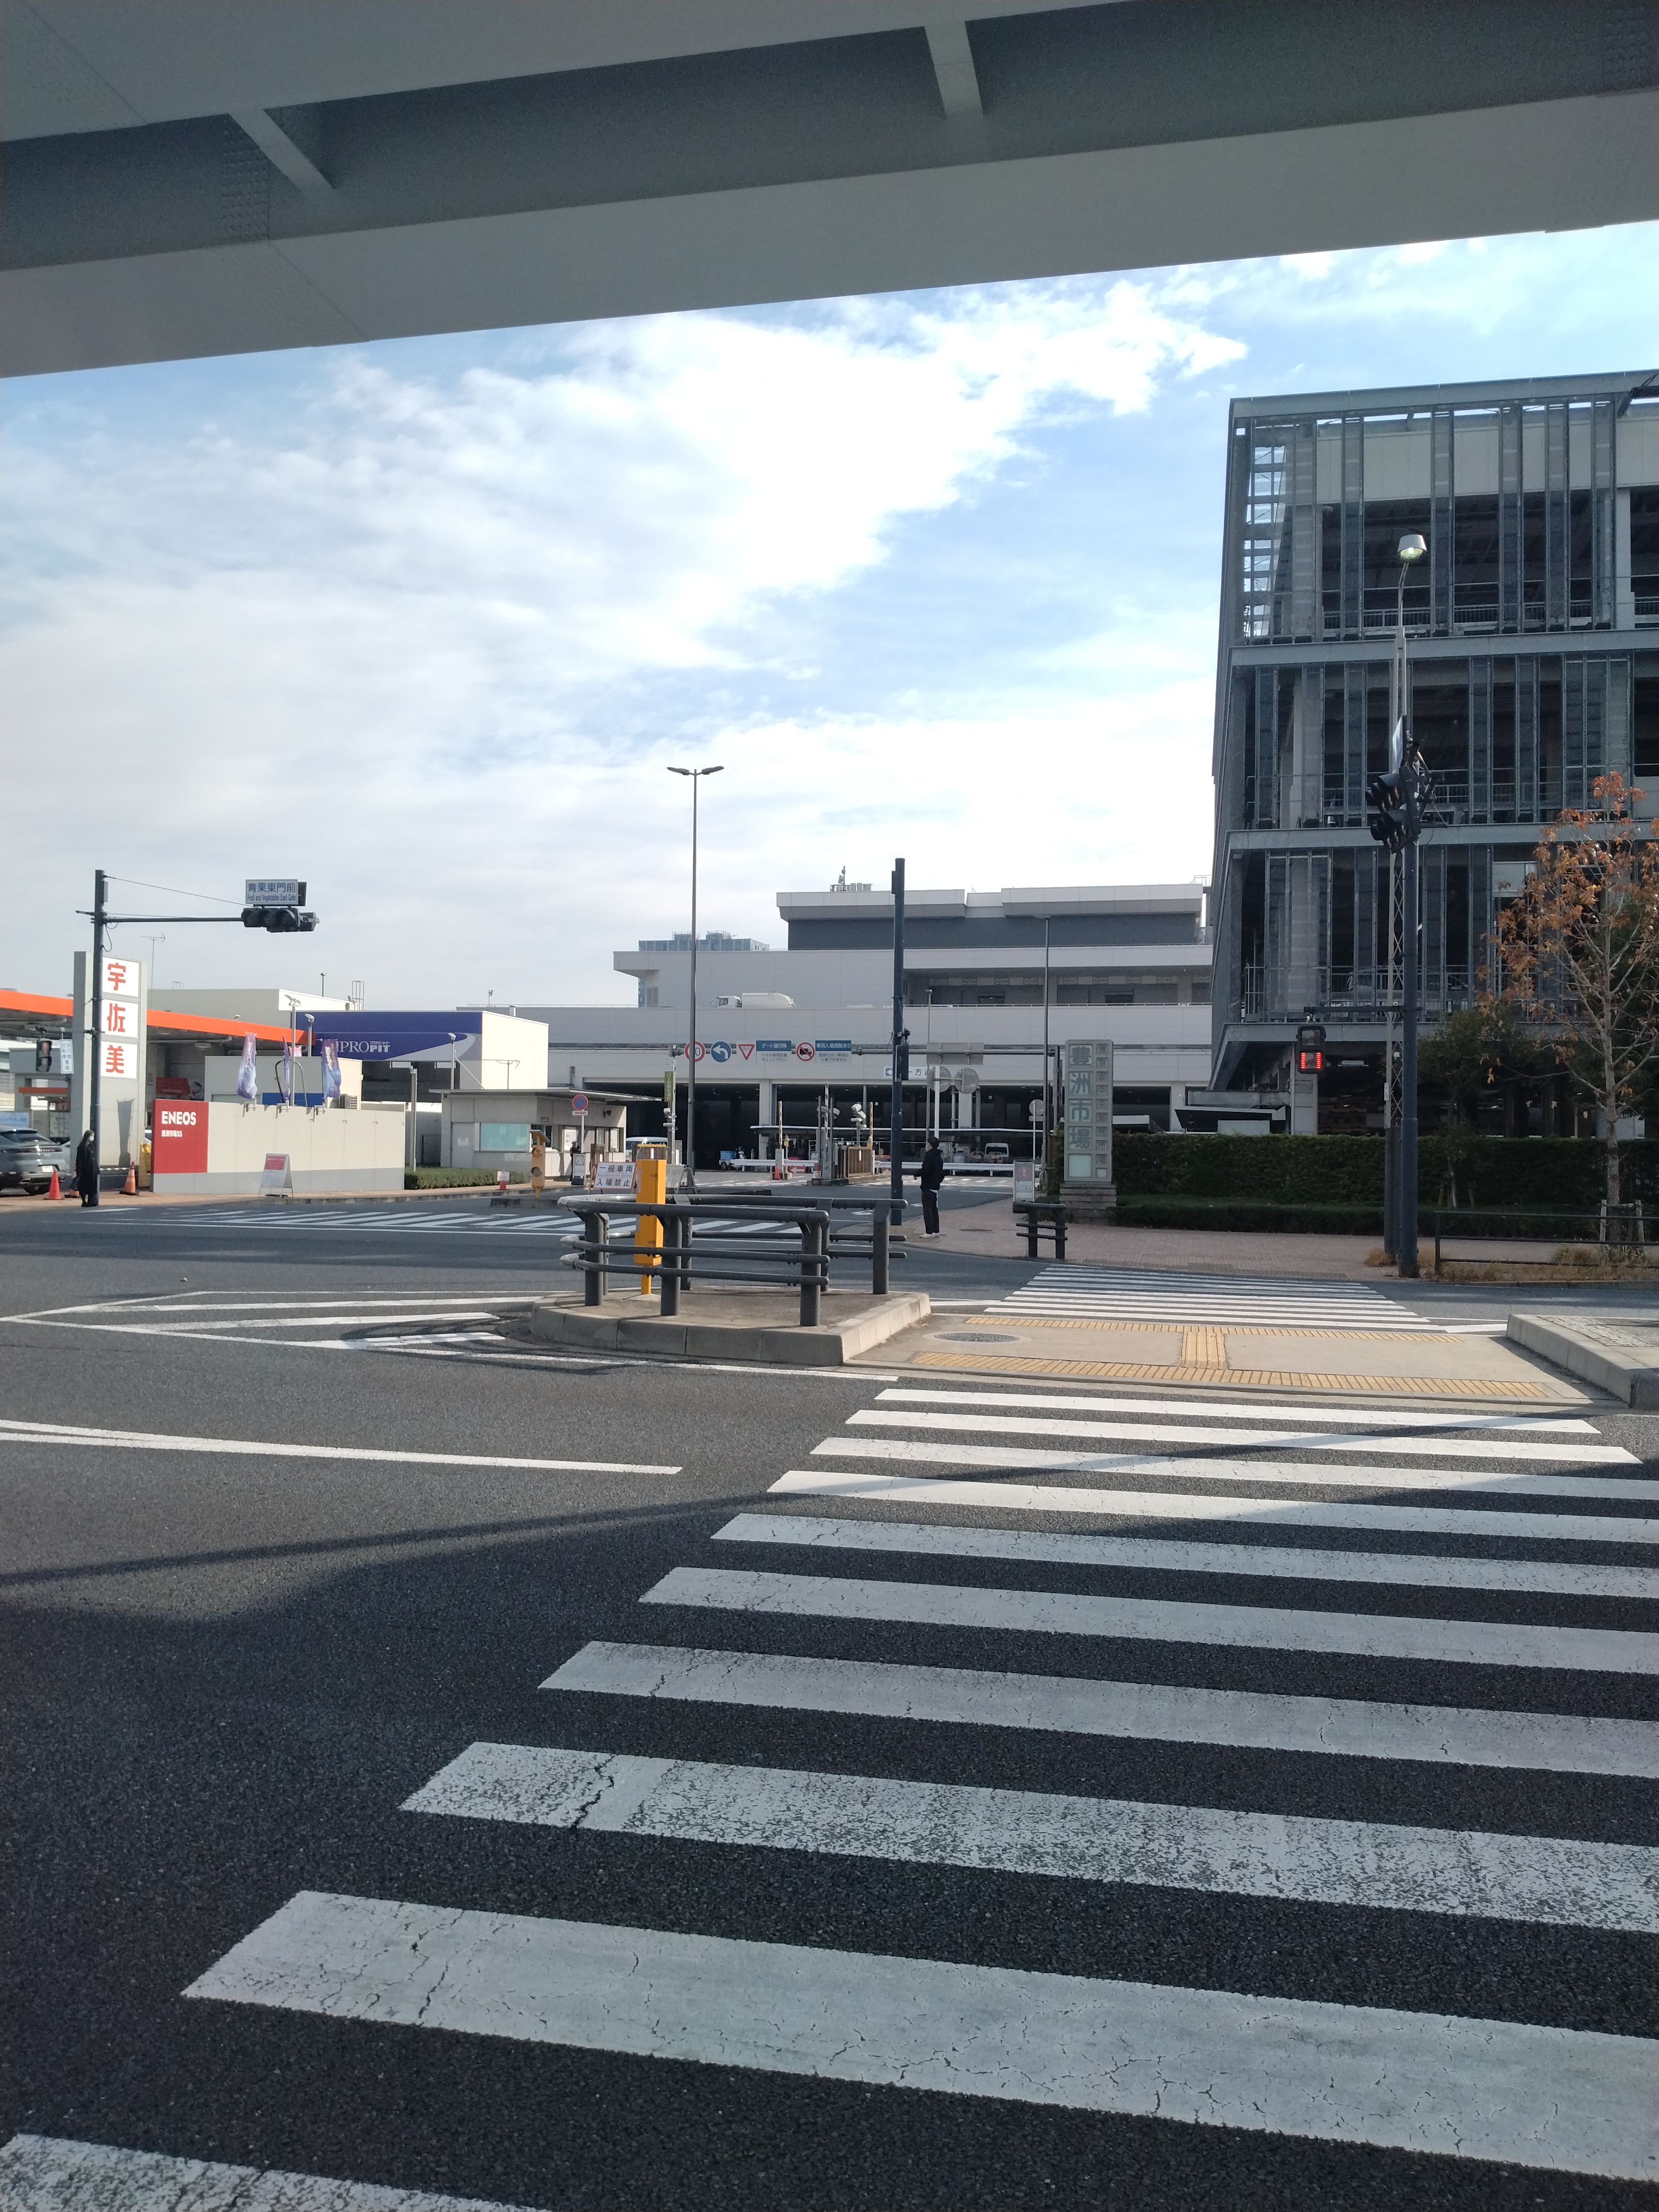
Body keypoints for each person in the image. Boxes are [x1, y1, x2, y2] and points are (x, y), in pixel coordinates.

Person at [919, 1135, 945, 1237]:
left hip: (928, 1185)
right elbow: (940, 1172)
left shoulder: (929, 1156)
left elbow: (926, 1170)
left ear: (930, 1145)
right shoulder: (939, 1157)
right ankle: (936, 1231)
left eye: (927, 1143)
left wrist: (916, 1173)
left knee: (928, 1209)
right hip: (935, 1185)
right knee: (934, 1209)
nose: (926, 1145)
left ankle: (929, 1232)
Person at [74, 1128, 97, 1208]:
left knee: (92, 1186)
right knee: (84, 1186)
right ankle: (84, 1201)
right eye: (92, 1136)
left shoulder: (92, 1146)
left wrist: (96, 1169)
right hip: (85, 1170)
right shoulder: (82, 1147)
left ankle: (91, 1201)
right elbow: (80, 1160)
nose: (93, 1138)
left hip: (92, 1170)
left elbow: (94, 1158)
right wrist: (79, 1170)